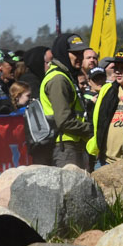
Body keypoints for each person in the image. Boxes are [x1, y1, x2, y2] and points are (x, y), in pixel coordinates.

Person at [41, 32, 91, 169]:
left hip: (72, 144)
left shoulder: (66, 75)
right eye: (75, 53)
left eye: (81, 53)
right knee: (68, 184)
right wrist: (92, 129)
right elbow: (64, 121)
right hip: (65, 147)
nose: (80, 57)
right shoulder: (59, 79)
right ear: (63, 53)